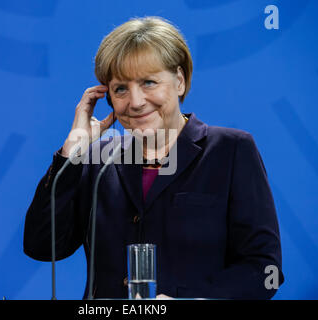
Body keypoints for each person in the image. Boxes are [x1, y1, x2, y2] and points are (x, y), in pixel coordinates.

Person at [23, 16, 284, 299]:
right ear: (107, 97)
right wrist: (71, 154)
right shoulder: (97, 158)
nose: (135, 102)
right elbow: (42, 246)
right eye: (120, 88)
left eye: (148, 82)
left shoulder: (231, 150)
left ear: (180, 81)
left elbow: (263, 269)